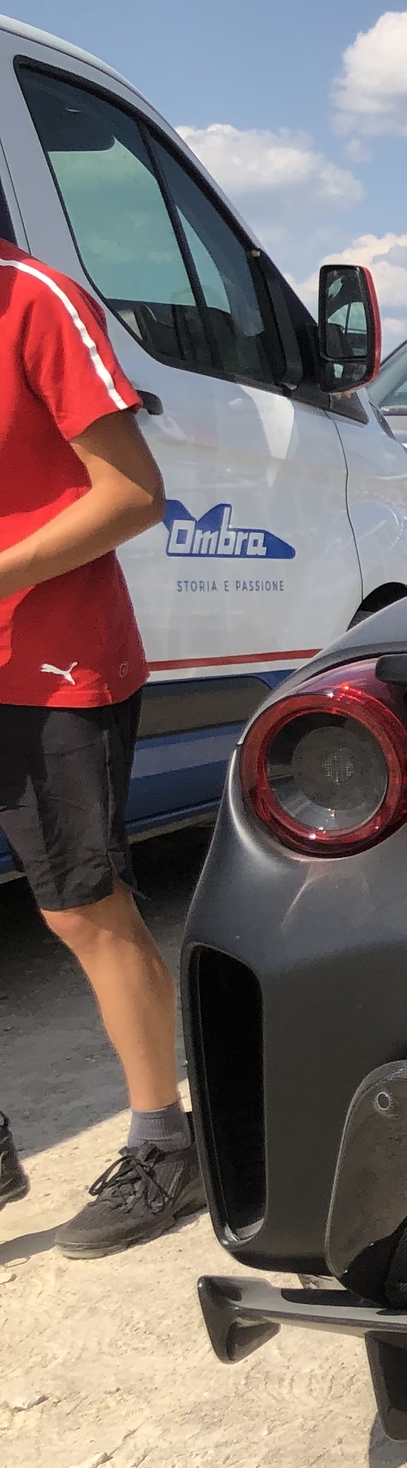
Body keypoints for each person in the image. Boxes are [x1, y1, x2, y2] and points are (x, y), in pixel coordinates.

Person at [0, 235, 192, 1256]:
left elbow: (131, 492)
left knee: (81, 908)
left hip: (49, 662)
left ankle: (166, 1143)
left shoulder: (31, 300)